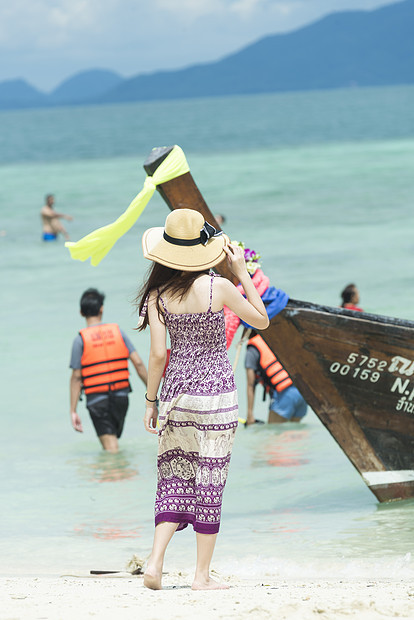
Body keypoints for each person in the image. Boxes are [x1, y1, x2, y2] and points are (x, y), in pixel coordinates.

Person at [137, 209, 269, 590]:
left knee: (174, 477)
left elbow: (158, 355)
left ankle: (155, 561)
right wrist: (241, 272)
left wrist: (150, 400)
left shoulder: (156, 295)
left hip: (176, 395)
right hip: (217, 397)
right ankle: (200, 576)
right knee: (209, 482)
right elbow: (261, 319)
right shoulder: (217, 288)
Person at [69, 288, 148, 453]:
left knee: (111, 447)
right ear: (101, 308)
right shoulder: (117, 332)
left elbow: (76, 378)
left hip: (97, 401)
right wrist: (152, 392)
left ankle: (116, 475)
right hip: (121, 398)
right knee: (113, 440)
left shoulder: (80, 340)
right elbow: (138, 363)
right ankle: (120, 474)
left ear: (81, 312)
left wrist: (73, 410)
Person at [245, 333, 307, 425]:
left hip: (284, 395)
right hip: (302, 393)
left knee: (274, 436)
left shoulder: (252, 350)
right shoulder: (273, 339)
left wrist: (250, 415)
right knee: (293, 436)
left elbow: (250, 384)